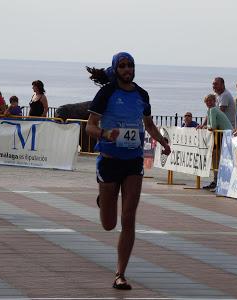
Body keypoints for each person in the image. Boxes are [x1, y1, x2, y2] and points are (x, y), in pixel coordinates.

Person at [85, 52, 171, 290]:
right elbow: (90, 126)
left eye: (130, 65)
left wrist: (163, 143)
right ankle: (104, 199)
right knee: (109, 224)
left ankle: (120, 274)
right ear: (116, 69)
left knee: (129, 218)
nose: (127, 69)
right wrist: (105, 134)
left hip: (133, 161)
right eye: (122, 66)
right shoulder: (106, 93)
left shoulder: (142, 95)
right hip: (110, 160)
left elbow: (149, 125)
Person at [201, 94, 233, 191]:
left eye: (211, 101)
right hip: (222, 134)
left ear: (214, 101)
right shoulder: (210, 110)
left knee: (218, 157)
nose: (209, 103)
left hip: (223, 134)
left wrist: (205, 127)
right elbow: (211, 125)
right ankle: (216, 180)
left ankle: (218, 181)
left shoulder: (213, 110)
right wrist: (204, 126)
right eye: (207, 101)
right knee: (216, 157)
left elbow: (213, 126)